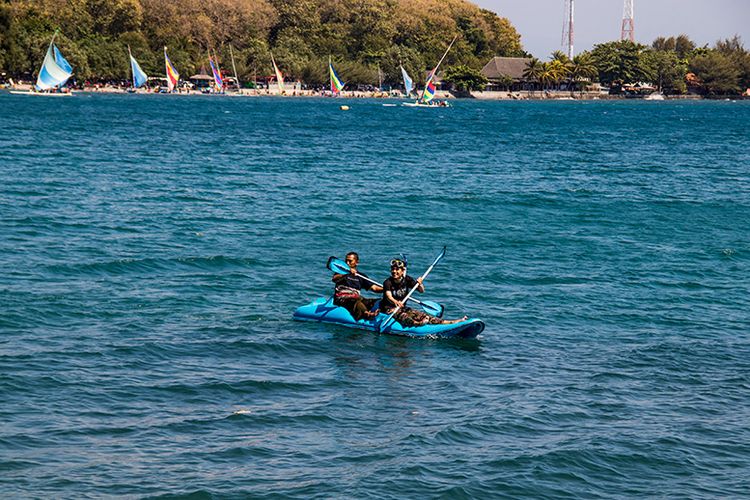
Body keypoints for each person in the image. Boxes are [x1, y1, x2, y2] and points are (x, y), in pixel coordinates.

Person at [381, 256, 467, 327]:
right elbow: (389, 296)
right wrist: (396, 302)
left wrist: (420, 284)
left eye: (397, 269)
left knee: (425, 316)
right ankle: (418, 324)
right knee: (405, 317)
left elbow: (421, 291)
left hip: (402, 308)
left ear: (402, 271)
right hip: (389, 309)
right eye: (393, 269)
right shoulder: (387, 282)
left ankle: (452, 322)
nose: (394, 271)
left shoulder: (407, 279)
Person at [332, 252, 383, 321]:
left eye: (350, 261)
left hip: (357, 297)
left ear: (356, 262)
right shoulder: (341, 272)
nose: (347, 263)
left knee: (376, 301)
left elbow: (374, 288)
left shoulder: (361, 276)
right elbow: (334, 279)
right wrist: (347, 272)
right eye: (346, 260)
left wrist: (386, 289)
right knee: (356, 302)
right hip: (342, 299)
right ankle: (367, 314)